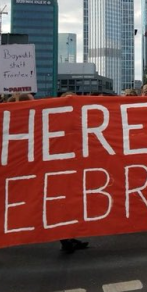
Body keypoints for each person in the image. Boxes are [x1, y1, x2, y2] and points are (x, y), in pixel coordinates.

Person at [57, 91, 90, 254]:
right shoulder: (57, 120)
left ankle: (70, 236)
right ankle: (65, 238)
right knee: (63, 205)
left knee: (72, 204)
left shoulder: (78, 118)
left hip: (74, 167)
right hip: (62, 169)